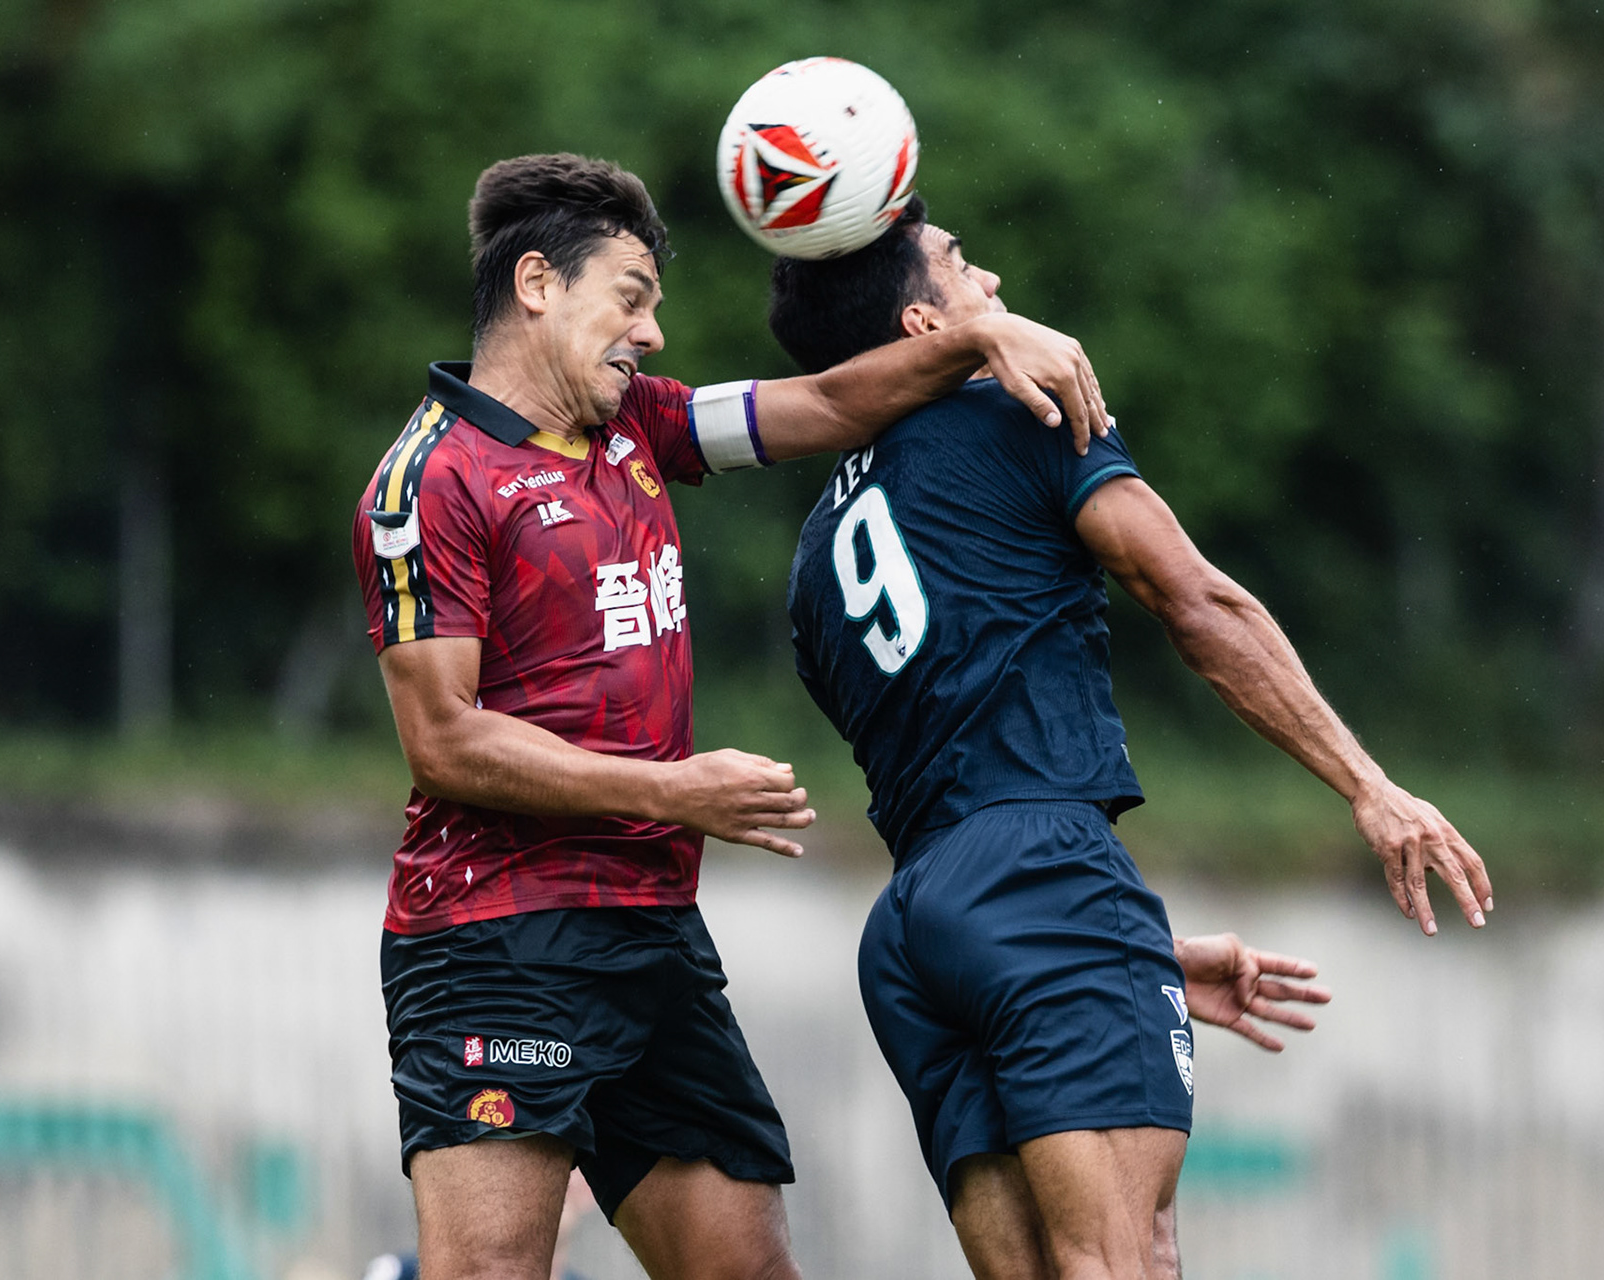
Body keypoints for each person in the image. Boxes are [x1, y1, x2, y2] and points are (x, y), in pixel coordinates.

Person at [351, 153, 1114, 1280]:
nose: (652, 333)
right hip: (497, 940)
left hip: (653, 936)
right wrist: (674, 789)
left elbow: (824, 404)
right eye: (632, 295)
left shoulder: (639, 428)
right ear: (536, 285)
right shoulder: (432, 478)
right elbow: (445, 738)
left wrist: (973, 340)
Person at [775, 195, 1493, 1280]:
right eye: (965, 269)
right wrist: (1368, 783)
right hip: (1045, 883)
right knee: (1127, 1258)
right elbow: (1197, 602)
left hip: (917, 932)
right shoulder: (1021, 414)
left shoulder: (814, 551)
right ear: (926, 329)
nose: (996, 285)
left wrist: (1130, 954)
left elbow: (958, 750)